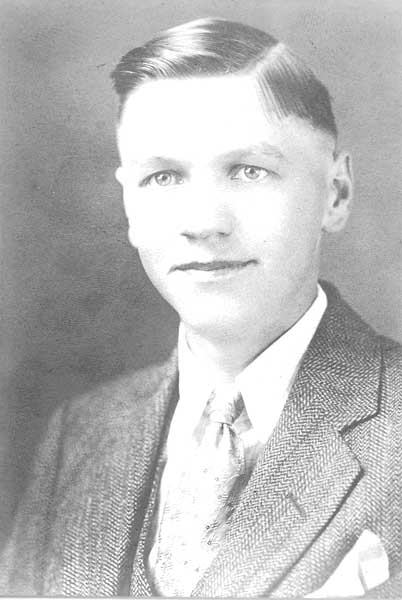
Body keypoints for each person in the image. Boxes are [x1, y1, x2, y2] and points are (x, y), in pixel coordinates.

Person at [0, 17, 401, 598]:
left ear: (335, 192)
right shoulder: (81, 433)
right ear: (129, 207)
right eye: (163, 177)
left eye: (249, 171)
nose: (203, 223)